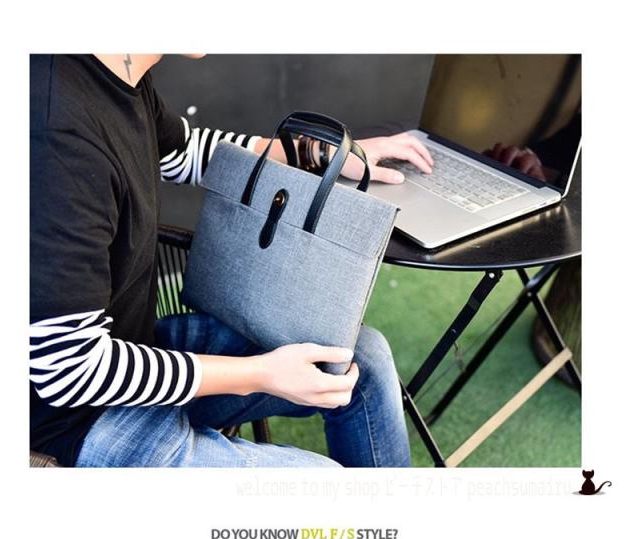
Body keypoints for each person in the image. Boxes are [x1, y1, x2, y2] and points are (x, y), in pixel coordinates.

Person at [30, 54, 435, 468]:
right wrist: (261, 374)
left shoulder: (119, 73)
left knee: (360, 358)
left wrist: (318, 153)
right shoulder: (58, 138)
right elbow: (68, 369)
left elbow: (184, 152)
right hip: (79, 424)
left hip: (137, 350)